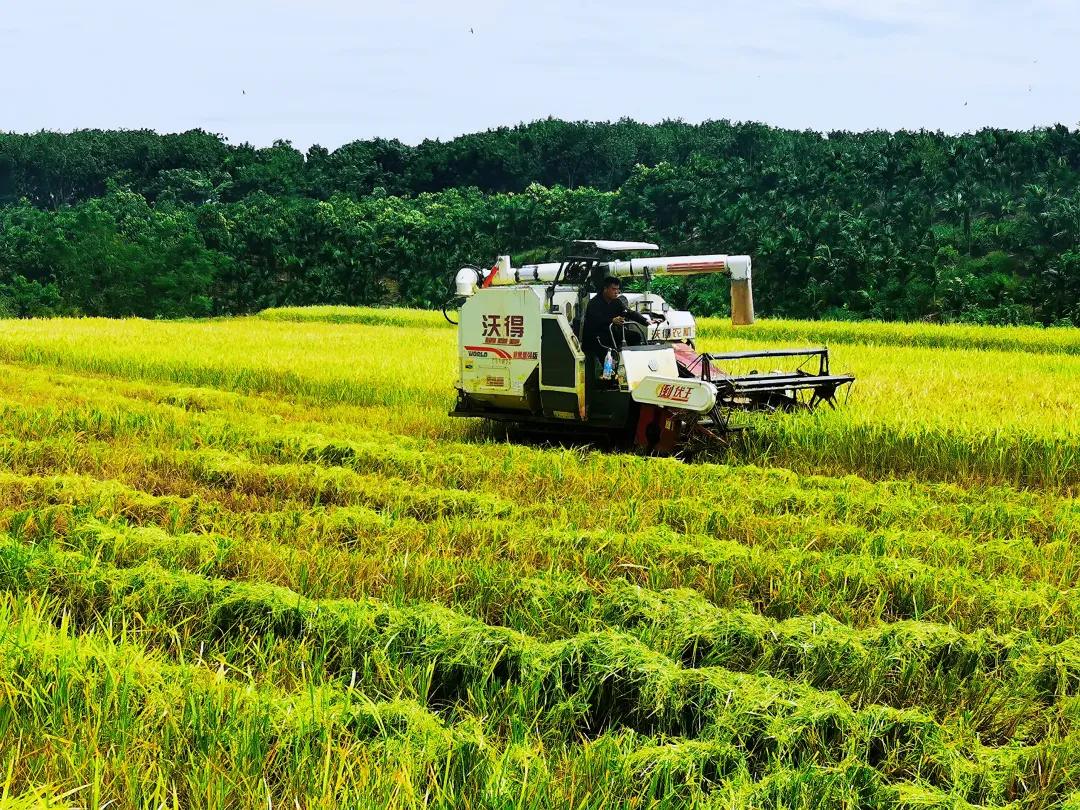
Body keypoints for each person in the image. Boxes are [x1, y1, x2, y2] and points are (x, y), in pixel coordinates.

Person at [581, 276, 650, 368]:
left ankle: (634, 365)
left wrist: (646, 320)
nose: (616, 292)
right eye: (613, 289)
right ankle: (609, 373)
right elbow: (595, 320)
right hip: (597, 336)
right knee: (606, 347)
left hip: (613, 333)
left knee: (635, 336)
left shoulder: (617, 302)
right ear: (605, 289)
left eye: (618, 289)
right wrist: (612, 320)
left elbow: (629, 313)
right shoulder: (594, 303)